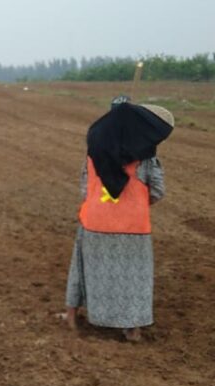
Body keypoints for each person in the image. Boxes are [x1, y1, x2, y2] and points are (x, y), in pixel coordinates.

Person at [63, 103, 173, 342]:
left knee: (81, 269)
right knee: (134, 277)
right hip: (134, 227)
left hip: (94, 222)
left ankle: (71, 315)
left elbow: (85, 188)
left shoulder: (94, 153)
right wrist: (135, 205)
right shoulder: (147, 158)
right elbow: (158, 191)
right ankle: (132, 328)